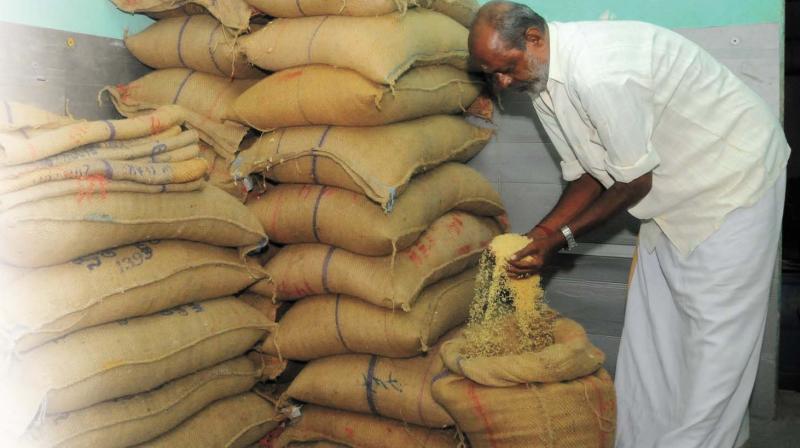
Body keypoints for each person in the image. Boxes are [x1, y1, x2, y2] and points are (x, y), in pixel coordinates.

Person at [468, 1, 791, 447]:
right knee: (654, 335)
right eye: (490, 73)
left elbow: (632, 181)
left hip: (731, 180)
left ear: (534, 39)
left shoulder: (600, 72)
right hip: (670, 192)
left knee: (717, 344)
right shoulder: (540, 80)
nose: (501, 83)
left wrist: (558, 240)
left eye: (505, 67)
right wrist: (538, 236)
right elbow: (585, 174)